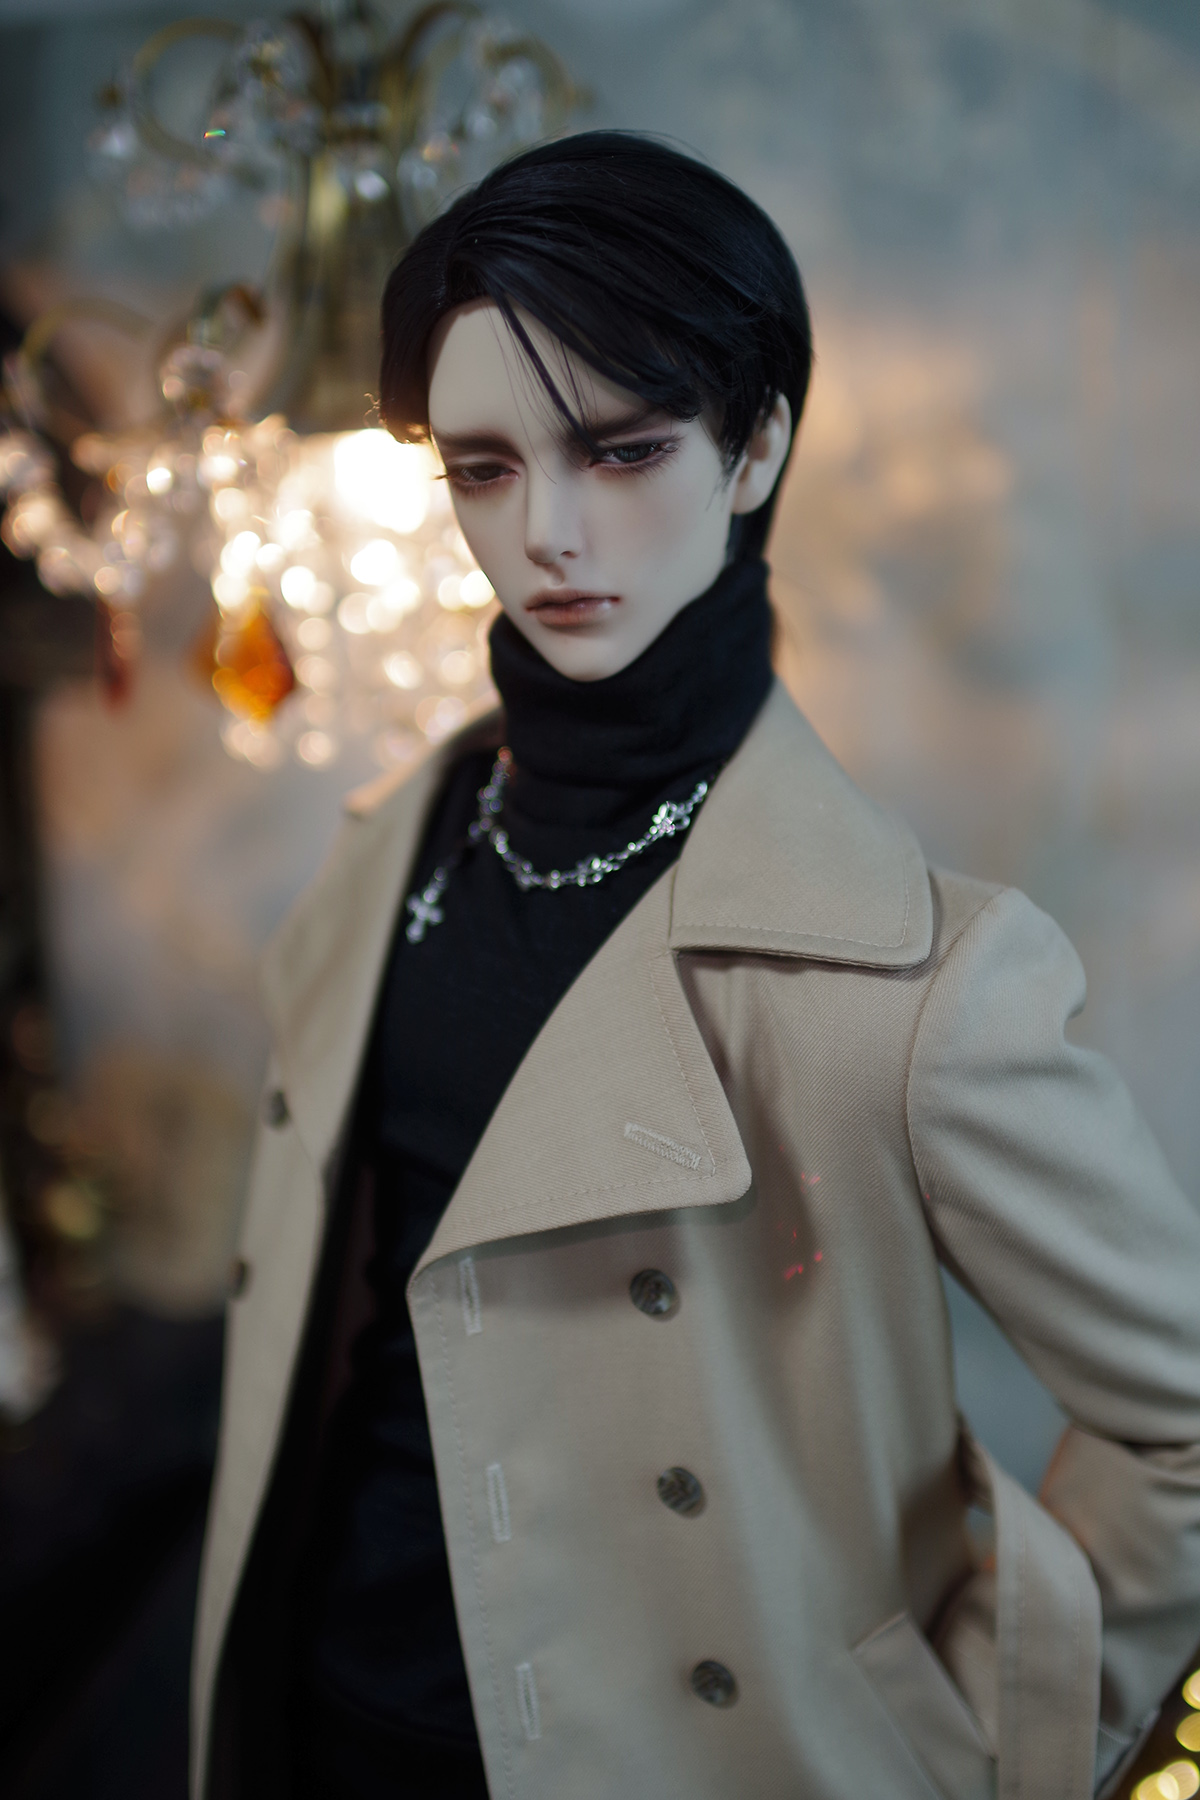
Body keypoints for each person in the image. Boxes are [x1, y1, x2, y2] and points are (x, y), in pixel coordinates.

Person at [191, 132, 1200, 1800]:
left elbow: (1186, 1417)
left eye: (623, 449)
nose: (549, 532)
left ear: (757, 447)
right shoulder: (394, 848)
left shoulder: (916, 982)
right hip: (321, 1704)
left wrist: (974, 1744)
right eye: (484, 469)